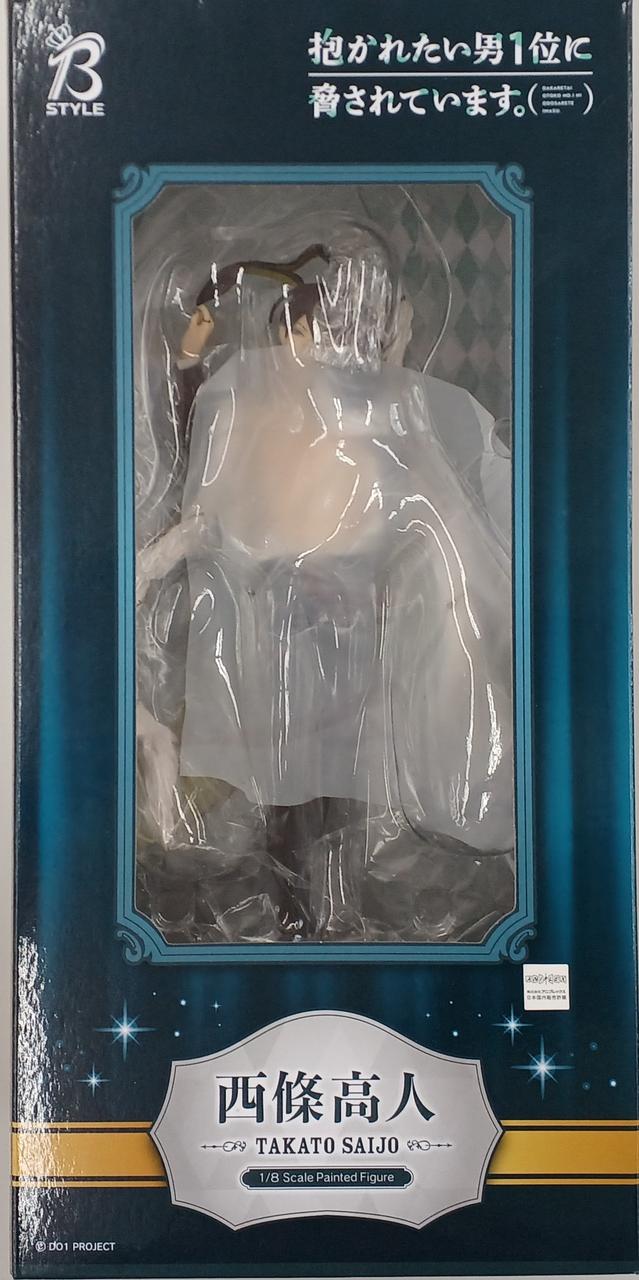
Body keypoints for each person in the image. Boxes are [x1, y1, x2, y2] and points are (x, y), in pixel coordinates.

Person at [136, 236, 514, 941]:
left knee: (346, 773)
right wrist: (188, 355)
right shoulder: (247, 399)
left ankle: (333, 899)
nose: (306, 346)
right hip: (276, 624)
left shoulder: (381, 409)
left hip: (352, 625)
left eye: (318, 331)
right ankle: (296, 901)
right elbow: (197, 448)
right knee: (285, 776)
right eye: (298, 331)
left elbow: (412, 503)